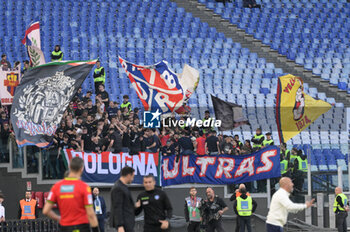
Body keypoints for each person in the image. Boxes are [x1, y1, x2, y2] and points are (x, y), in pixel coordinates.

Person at [43, 157, 99, 232]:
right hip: (81, 227)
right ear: (82, 169)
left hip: (65, 227)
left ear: (69, 167)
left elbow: (46, 211)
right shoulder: (84, 187)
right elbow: (91, 214)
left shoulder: (56, 187)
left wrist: (59, 218)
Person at [110, 166, 136, 232]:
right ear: (129, 175)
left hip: (128, 224)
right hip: (124, 226)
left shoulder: (123, 187)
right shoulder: (118, 188)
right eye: (133, 176)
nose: (133, 179)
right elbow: (117, 207)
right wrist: (120, 226)